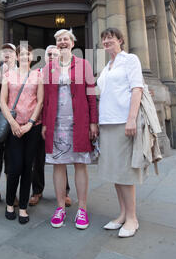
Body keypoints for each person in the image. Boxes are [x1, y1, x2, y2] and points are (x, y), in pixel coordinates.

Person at [42, 29, 98, 230]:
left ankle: (82, 208)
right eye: (59, 40)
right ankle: (60, 208)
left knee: (80, 164)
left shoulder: (84, 64)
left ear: (72, 43)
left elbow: (91, 95)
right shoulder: (48, 68)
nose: (62, 42)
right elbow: (46, 99)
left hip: (79, 122)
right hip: (56, 124)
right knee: (58, 164)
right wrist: (45, 124)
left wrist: (93, 122)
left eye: (66, 39)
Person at [97, 27, 145, 238]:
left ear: (121, 40)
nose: (107, 41)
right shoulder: (107, 66)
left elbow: (137, 88)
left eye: (111, 38)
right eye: (104, 39)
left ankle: (132, 218)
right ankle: (123, 214)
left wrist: (131, 119)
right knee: (115, 171)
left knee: (125, 171)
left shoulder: (130, 60)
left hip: (123, 121)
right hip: (107, 122)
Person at [0, 43, 44, 224]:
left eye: (28, 54)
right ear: (17, 57)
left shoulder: (38, 75)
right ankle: (10, 203)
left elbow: (40, 101)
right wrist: (13, 123)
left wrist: (31, 123)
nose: (25, 56)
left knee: (28, 168)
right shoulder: (8, 75)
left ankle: (23, 207)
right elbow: (2, 102)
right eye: (22, 54)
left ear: (32, 57)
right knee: (15, 167)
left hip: (32, 127)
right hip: (14, 127)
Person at [29, 45, 72, 207]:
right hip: (39, 121)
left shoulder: (63, 74)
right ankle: (36, 191)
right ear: (44, 57)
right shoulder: (37, 74)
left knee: (61, 157)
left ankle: (65, 192)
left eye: (55, 54)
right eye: (49, 54)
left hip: (57, 122)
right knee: (37, 158)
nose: (52, 56)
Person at [0, 43, 17, 206]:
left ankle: (11, 193)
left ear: (15, 54)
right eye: (4, 51)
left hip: (14, 118)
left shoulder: (21, 71)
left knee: (11, 158)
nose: (7, 53)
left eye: (10, 51)